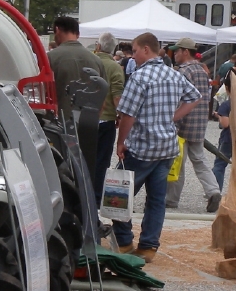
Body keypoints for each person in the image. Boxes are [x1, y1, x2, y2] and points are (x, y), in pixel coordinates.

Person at [112, 31, 201, 262]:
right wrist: (172, 117)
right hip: (167, 147)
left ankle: (124, 242)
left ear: (145, 49)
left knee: (119, 194)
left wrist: (121, 142)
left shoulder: (139, 77)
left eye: (134, 51)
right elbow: (195, 97)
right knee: (156, 200)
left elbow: (128, 114)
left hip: (142, 147)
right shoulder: (174, 74)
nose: (132, 56)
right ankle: (148, 246)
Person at [170, 37, 221, 213]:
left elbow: (180, 100)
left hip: (183, 123)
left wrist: (174, 122)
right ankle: (213, 190)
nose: (174, 54)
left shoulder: (183, 72)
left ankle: (171, 199)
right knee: (200, 161)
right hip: (199, 123)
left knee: (177, 163)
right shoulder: (202, 71)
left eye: (177, 51)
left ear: (185, 52)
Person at [47, 14, 106, 131]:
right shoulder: (96, 60)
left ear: (57, 30)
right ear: (78, 34)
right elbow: (102, 98)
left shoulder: (50, 58)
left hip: (57, 127)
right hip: (87, 127)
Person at [89, 32, 126, 205]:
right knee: (102, 160)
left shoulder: (89, 61)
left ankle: (83, 194)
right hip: (106, 119)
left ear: (98, 46)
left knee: (85, 158)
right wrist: (120, 115)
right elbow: (117, 96)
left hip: (86, 118)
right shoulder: (115, 67)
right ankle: (96, 196)